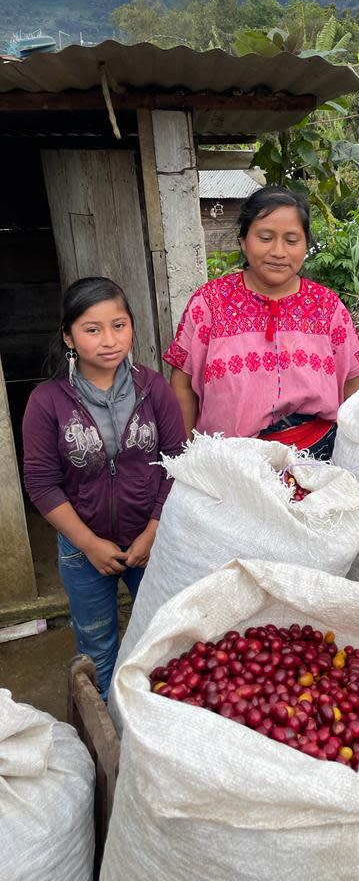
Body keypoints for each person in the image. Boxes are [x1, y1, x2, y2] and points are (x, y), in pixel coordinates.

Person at [22, 277, 187, 696]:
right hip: (82, 550)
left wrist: (153, 530)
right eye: (92, 329)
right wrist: (89, 544)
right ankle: (108, 734)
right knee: (97, 646)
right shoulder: (47, 401)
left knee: (162, 639)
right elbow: (41, 483)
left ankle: (151, 728)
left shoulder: (154, 389)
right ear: (68, 336)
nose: (109, 340)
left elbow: (177, 462)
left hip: (150, 541)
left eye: (119, 325)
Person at [165, 185, 359, 459]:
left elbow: (353, 383)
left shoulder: (326, 305)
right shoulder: (210, 303)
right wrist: (184, 456)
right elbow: (182, 384)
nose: (278, 251)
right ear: (243, 241)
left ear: (306, 245)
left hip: (318, 453)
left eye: (291, 240)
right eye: (265, 237)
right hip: (231, 459)